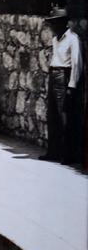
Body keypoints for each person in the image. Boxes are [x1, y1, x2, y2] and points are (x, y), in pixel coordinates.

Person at [40, 8, 83, 163]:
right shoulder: (55, 39)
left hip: (64, 76)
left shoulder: (73, 39)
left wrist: (71, 86)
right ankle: (53, 152)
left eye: (54, 23)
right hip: (54, 75)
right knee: (52, 116)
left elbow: (77, 64)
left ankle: (67, 154)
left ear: (63, 23)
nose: (52, 26)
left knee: (64, 116)